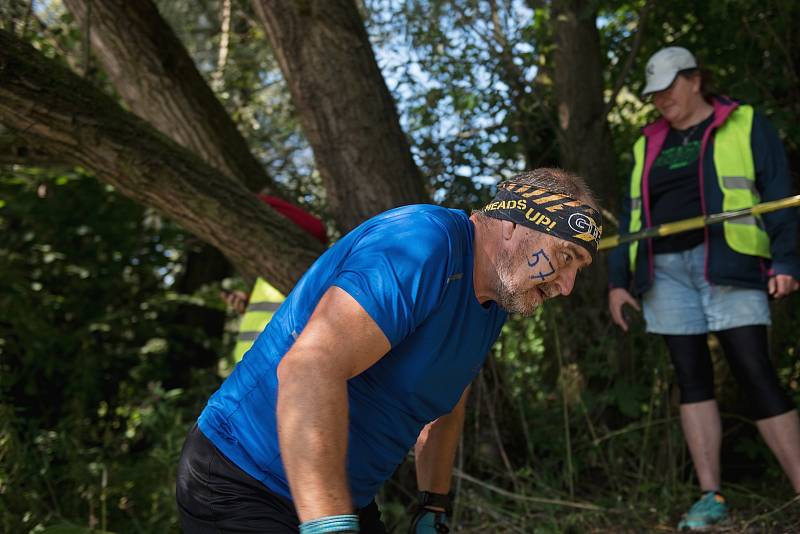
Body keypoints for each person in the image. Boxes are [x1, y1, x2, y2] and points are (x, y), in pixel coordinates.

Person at [176, 168, 602, 533]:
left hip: (340, 492)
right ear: (513, 225)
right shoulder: (422, 245)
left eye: (578, 269)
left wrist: (433, 506)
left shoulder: (493, 302)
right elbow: (309, 368)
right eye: (565, 257)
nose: (566, 286)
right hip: (241, 477)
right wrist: (329, 525)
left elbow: (446, 402)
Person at [607, 46, 800, 531]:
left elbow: (778, 193)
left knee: (756, 373)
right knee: (690, 378)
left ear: (695, 80)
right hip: (663, 273)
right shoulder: (645, 142)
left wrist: (786, 258)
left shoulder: (745, 122)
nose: (660, 101)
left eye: (669, 88)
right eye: (653, 94)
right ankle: (710, 496)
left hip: (730, 263)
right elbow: (631, 215)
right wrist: (617, 281)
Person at [222, 194, 329, 364]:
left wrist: (263, 202)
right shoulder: (266, 276)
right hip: (253, 374)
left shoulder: (306, 272)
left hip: (281, 371)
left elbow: (316, 229)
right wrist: (248, 305)